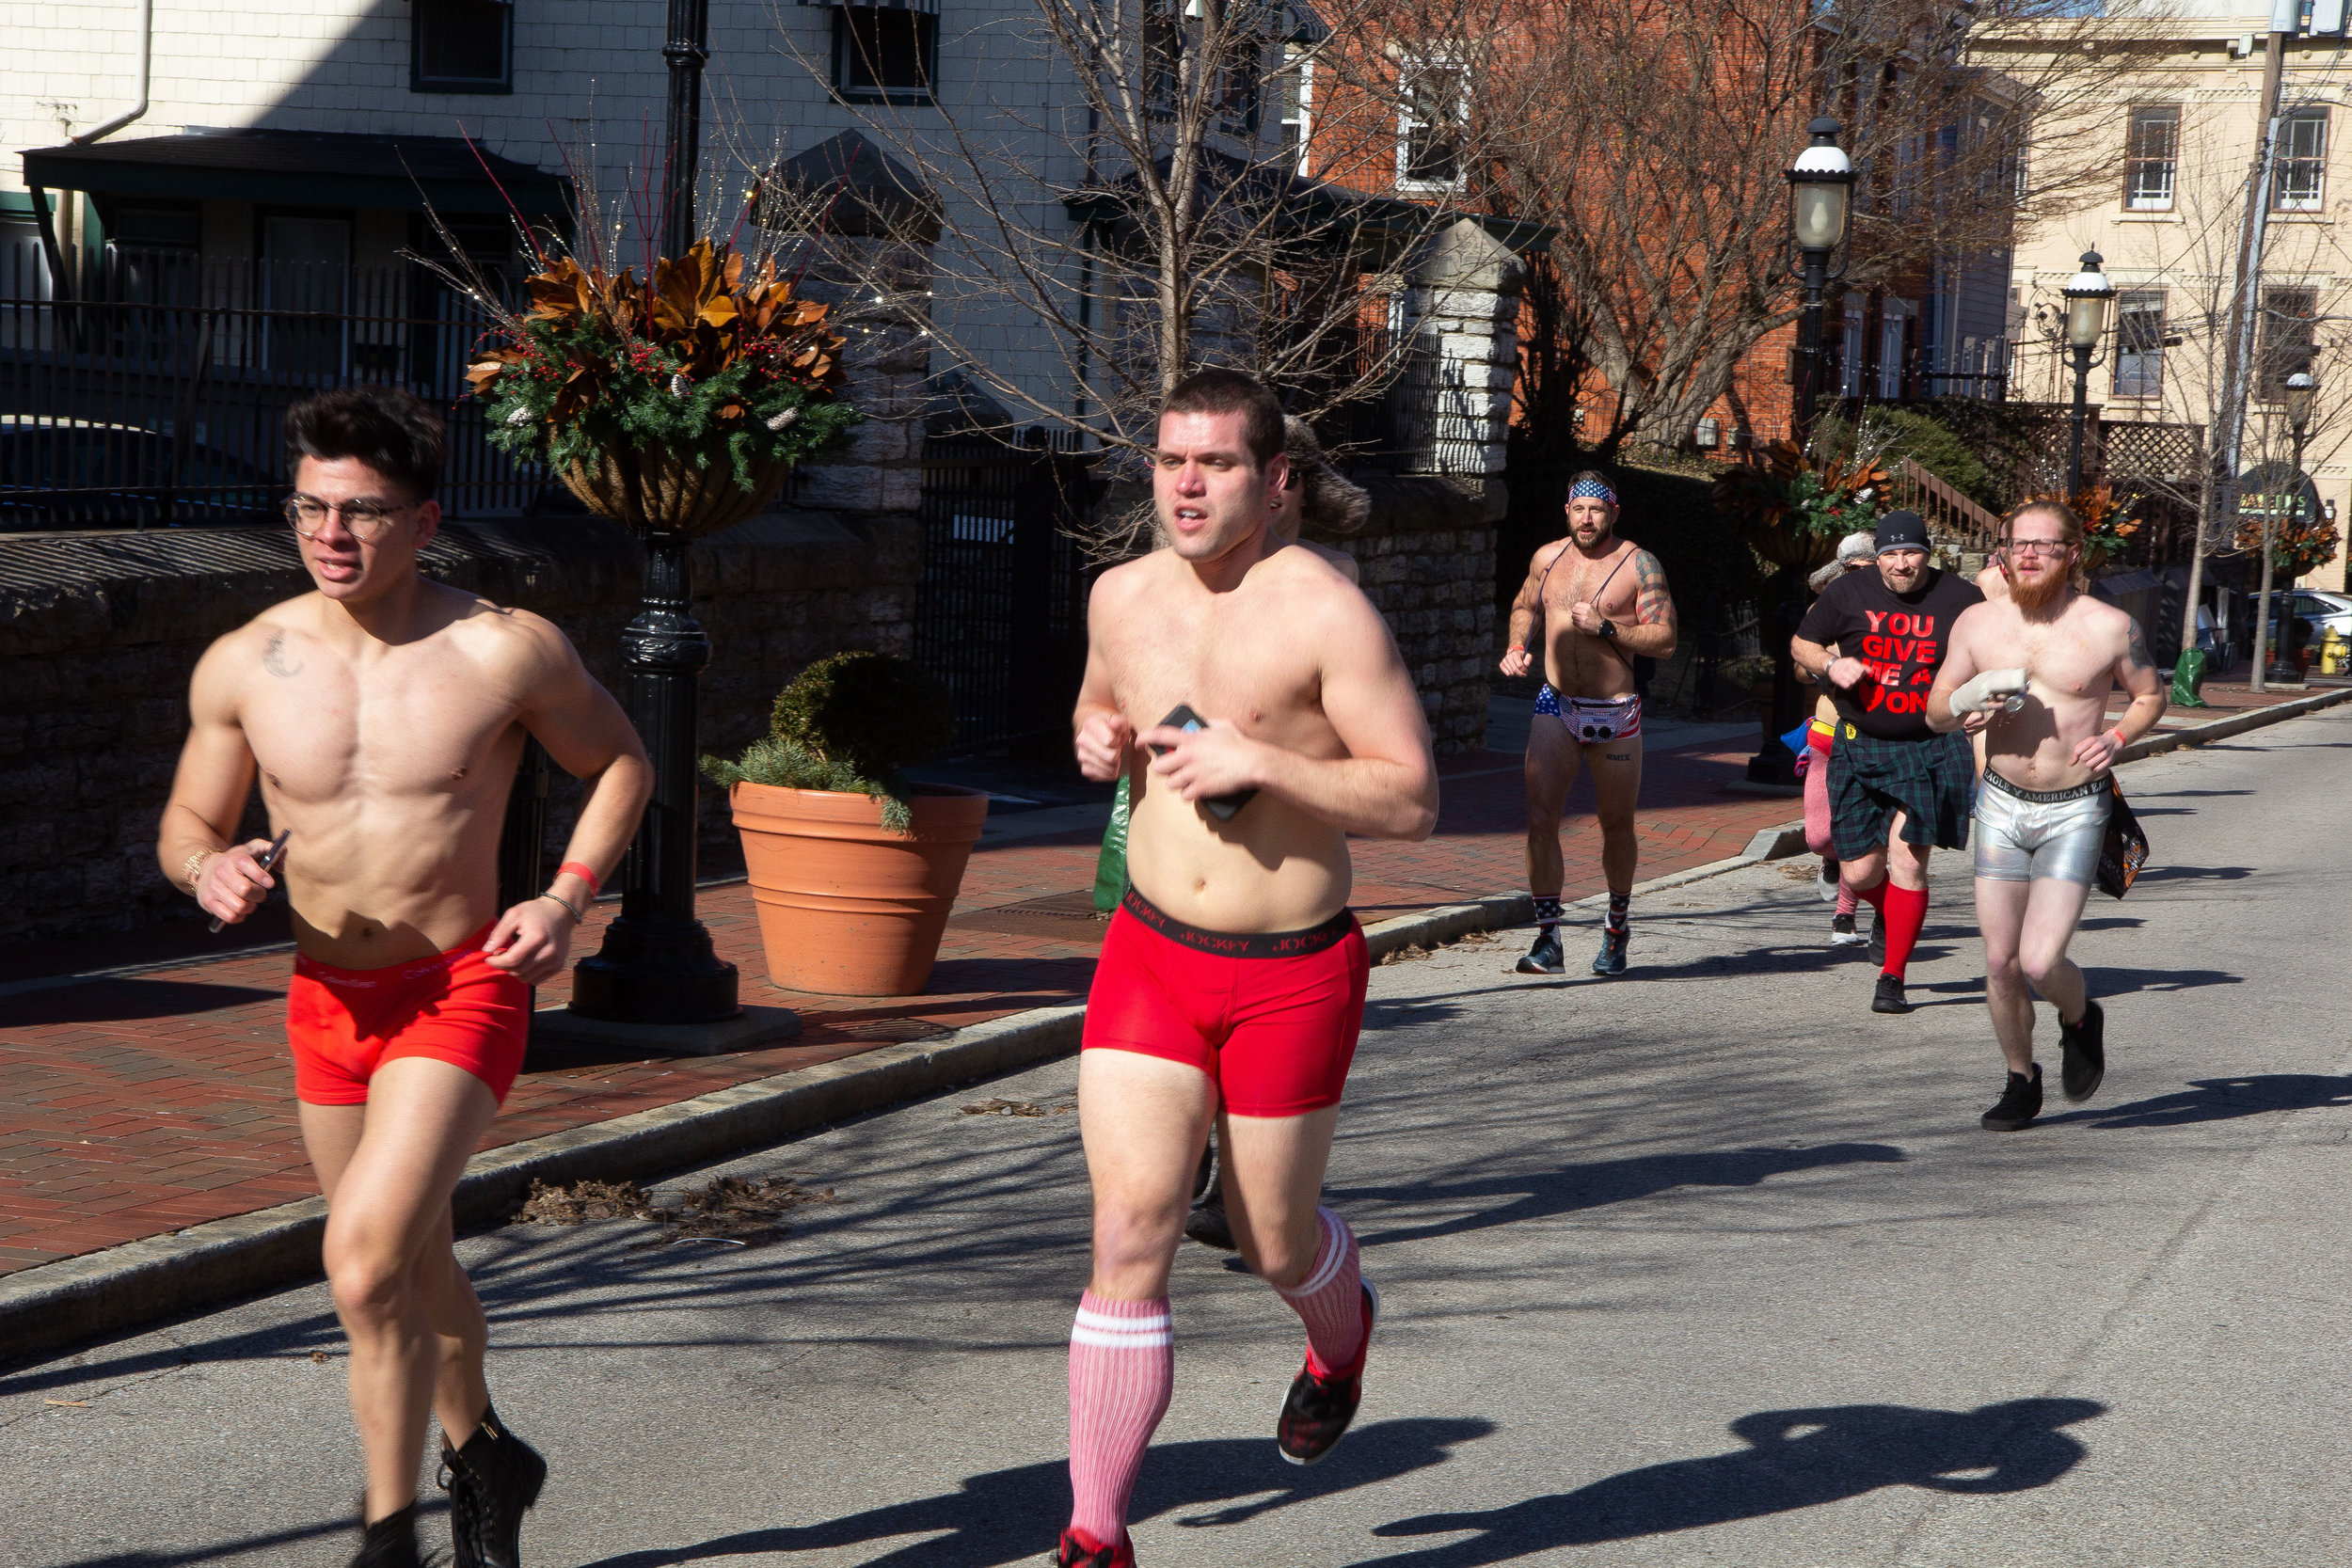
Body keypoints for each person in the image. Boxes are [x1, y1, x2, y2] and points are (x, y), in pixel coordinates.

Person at [157, 388, 653, 1568]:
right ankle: (487, 1450)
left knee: (366, 1258)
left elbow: (624, 760)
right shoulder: (248, 659)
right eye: (311, 507)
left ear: (425, 521)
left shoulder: (503, 647)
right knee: (411, 1259)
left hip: (460, 984)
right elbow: (186, 818)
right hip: (325, 1000)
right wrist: (205, 868)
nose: (332, 533)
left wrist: (564, 894)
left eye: (364, 512)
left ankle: (388, 1541)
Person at [1063, 368, 1438, 1567]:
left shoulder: (1327, 613)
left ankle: (1337, 1340)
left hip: (1291, 970)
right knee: (1129, 1231)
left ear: (1274, 481)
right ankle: (1095, 1531)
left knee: (1274, 1239)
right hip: (1152, 955)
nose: (1185, 482)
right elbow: (1098, 705)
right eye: (1170, 458)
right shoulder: (1117, 594)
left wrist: (1266, 764)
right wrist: (1094, 733)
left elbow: (1412, 797)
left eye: (1215, 463)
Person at [1185, 415, 1374, 1255]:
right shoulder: (1192, 572)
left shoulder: (1332, 584)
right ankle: (1199, 1164)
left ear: (1283, 482)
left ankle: (1242, 1186)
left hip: (1277, 845)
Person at [1929, 499, 2167, 1131]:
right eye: (2017, 543)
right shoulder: (1976, 623)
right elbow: (1935, 710)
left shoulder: (2110, 626)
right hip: (2003, 805)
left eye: (2045, 544)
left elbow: (2150, 693)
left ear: (2072, 554)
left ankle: (2080, 1017)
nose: (2028, 553)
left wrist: (2118, 738)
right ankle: (2020, 1078)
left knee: (2039, 961)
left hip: (2074, 809)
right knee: (2000, 962)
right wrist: (1965, 709)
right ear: (2002, 551)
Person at [1789, 510, 1983, 1015]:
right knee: (1857, 873)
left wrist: (1986, 699)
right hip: (1858, 744)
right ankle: (1895, 914)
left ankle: (1892, 978)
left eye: (1911, 552)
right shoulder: (1847, 594)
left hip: (1928, 747)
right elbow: (1801, 643)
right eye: (1891, 554)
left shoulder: (1962, 599)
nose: (1901, 564)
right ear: (1877, 556)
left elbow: (1993, 656)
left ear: (1928, 552)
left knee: (1908, 863)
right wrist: (1832, 664)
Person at [1499, 473, 1678, 975]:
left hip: (1614, 710)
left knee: (1616, 825)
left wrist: (1607, 628)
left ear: (1614, 513)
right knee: (1539, 819)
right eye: (1579, 509)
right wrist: (1517, 646)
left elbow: (1664, 639)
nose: (1587, 518)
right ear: (1567, 510)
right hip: (1556, 702)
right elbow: (1523, 605)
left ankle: (1617, 928)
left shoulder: (1639, 564)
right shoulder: (1546, 558)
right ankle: (1548, 940)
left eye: (1596, 510)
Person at [1801, 531, 1877, 946]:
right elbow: (1798, 665)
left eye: (1866, 567)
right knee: (1818, 837)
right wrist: (1827, 665)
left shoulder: (1892, 611)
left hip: (1870, 733)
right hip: (1827, 731)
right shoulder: (1826, 608)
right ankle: (1829, 859)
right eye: (1851, 569)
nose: (1858, 576)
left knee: (1859, 831)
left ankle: (1844, 918)